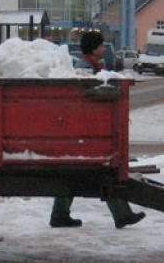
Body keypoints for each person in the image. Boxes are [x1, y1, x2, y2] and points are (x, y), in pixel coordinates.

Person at [50, 30, 146, 229]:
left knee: (75, 174)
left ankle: (60, 215)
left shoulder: (91, 66)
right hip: (84, 130)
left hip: (83, 130)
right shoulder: (84, 69)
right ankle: (122, 215)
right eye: (101, 45)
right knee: (104, 171)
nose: (104, 48)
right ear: (94, 48)